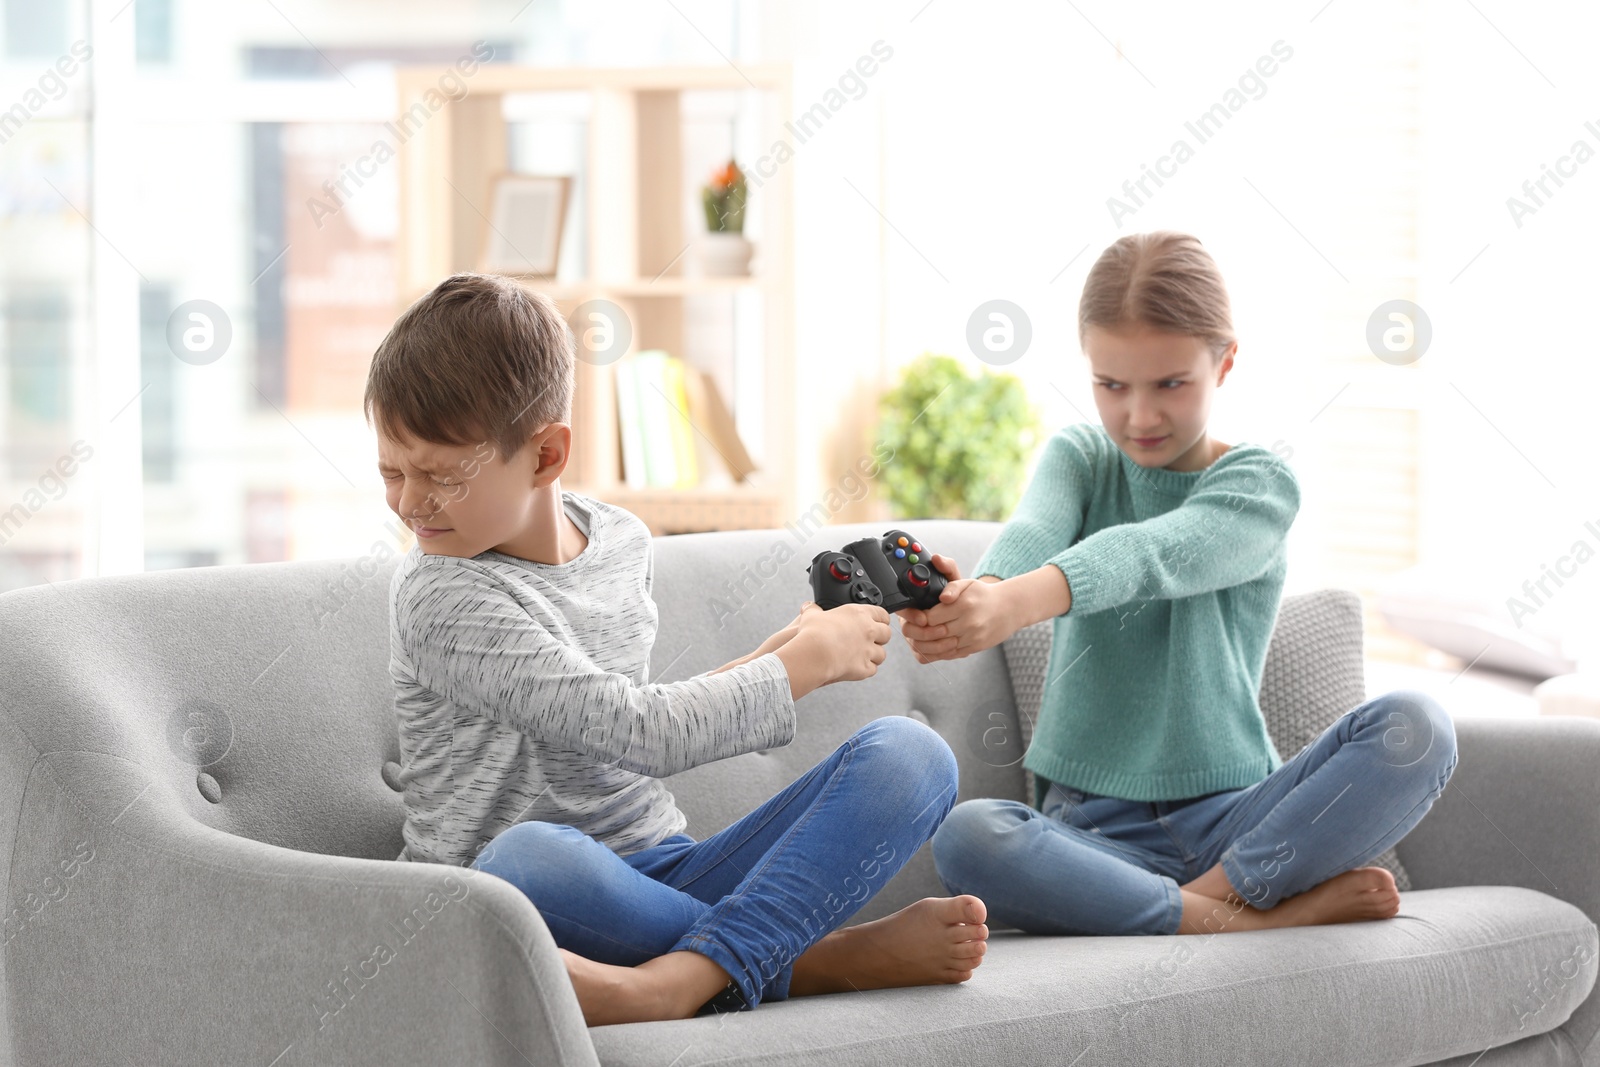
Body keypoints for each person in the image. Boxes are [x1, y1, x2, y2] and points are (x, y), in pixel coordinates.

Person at [363, 273, 988, 1026]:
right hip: (526, 894)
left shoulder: (620, 541)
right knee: (527, 857)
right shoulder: (440, 593)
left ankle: (687, 971)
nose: (408, 502)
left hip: (663, 871)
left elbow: (618, 724)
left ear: (546, 454)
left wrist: (785, 648)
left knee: (914, 758)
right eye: (392, 472)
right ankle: (812, 961)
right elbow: (637, 730)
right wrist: (798, 667)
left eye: (439, 474)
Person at [902, 231, 1458, 937]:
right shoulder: (1079, 457)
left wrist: (1014, 603)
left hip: (1239, 819)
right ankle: (1239, 916)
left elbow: (1155, 553)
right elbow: (1034, 532)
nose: (1139, 416)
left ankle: (1205, 900)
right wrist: (982, 593)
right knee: (969, 836)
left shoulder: (1260, 484)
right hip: (1090, 835)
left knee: (1419, 727)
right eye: (1111, 385)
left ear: (1224, 362)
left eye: (1170, 384)